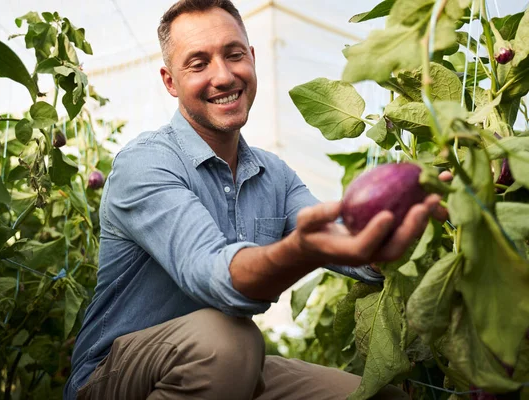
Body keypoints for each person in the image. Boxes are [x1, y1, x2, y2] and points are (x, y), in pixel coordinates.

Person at [64, 1, 447, 399]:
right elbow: (212, 275)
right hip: (114, 374)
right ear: (170, 81)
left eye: (234, 55)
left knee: (381, 398)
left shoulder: (274, 175)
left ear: (252, 57)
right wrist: (302, 252)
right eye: (198, 63)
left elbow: (341, 234)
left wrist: (403, 226)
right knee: (228, 341)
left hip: (222, 367)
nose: (224, 76)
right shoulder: (146, 164)